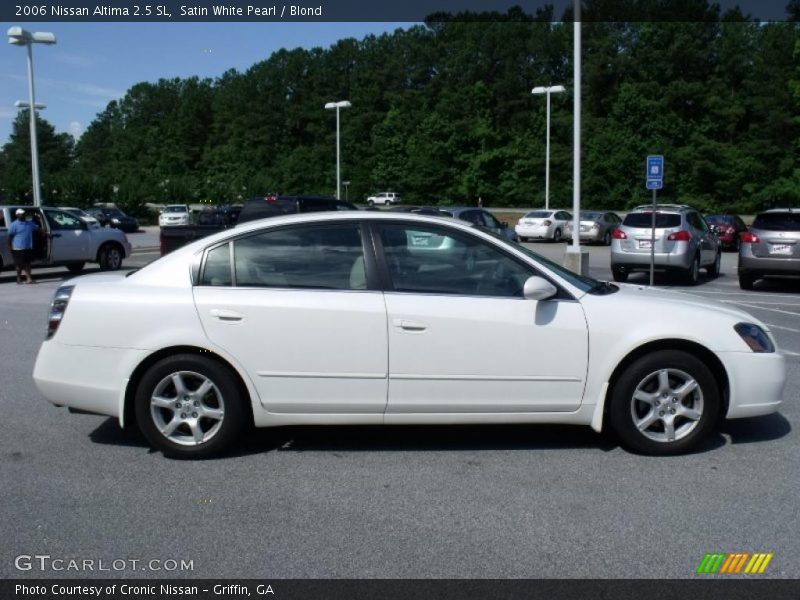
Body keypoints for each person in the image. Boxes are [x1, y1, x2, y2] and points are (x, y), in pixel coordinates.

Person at [7, 208, 40, 284]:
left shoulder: (29, 223)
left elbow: (37, 228)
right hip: (18, 248)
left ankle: (29, 278)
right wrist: (10, 247)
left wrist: (45, 233)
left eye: (24, 213)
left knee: (27, 263)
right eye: (21, 213)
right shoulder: (13, 225)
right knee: (19, 265)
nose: (23, 215)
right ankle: (19, 277)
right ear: (17, 215)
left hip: (28, 247)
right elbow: (9, 238)